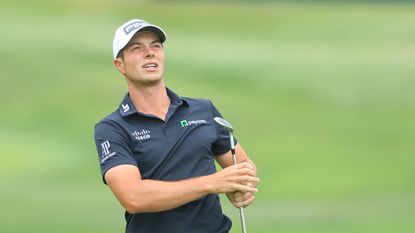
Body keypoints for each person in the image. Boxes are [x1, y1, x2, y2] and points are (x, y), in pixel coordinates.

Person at [94, 19, 259, 233]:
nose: (149, 53)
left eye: (156, 46)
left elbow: (243, 166)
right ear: (120, 64)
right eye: (137, 48)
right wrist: (213, 183)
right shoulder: (112, 128)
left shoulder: (203, 110)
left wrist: (241, 187)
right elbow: (133, 197)